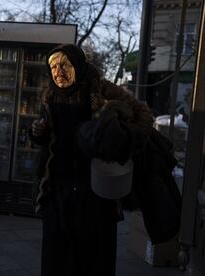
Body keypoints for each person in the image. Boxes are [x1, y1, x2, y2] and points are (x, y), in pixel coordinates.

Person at [29, 44, 154, 276]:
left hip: (96, 194)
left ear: (78, 65)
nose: (59, 72)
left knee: (93, 260)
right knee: (56, 260)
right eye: (53, 66)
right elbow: (49, 141)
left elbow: (145, 117)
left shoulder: (102, 90)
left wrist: (124, 140)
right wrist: (39, 132)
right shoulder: (49, 95)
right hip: (58, 192)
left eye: (64, 65)